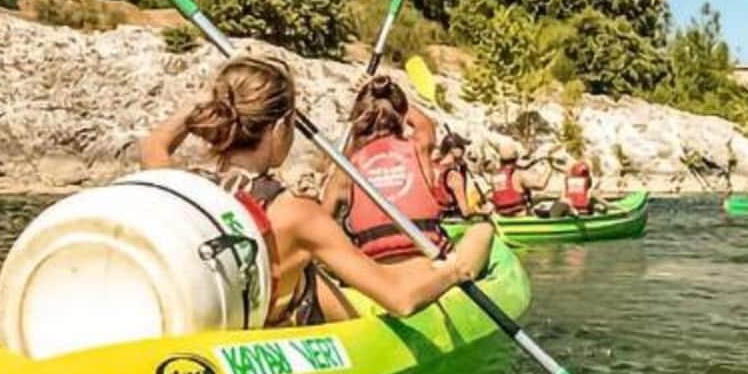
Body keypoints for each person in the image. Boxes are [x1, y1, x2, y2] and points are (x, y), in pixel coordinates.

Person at [140, 55, 493, 325]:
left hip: (226, 322)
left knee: (313, 276)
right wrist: (454, 269)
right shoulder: (296, 214)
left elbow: (154, 147)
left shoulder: (182, 188)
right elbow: (401, 300)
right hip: (280, 327)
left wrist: (201, 102)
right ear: (281, 128)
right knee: (480, 232)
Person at [322, 76, 448, 261]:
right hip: (428, 260)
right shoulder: (418, 147)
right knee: (482, 229)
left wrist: (372, 100)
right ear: (402, 115)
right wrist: (386, 95)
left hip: (377, 268)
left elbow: (321, 222)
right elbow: (424, 123)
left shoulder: (346, 170)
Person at [488, 146, 552, 217]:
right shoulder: (518, 174)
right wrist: (549, 168)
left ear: (500, 160)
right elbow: (540, 185)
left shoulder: (494, 176)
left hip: (502, 215)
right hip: (520, 214)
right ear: (516, 158)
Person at [432, 132, 473, 219]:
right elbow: (464, 210)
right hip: (452, 217)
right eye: (461, 147)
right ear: (453, 149)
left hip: (436, 215)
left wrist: (463, 170)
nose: (464, 150)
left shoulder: (433, 167)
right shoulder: (453, 174)